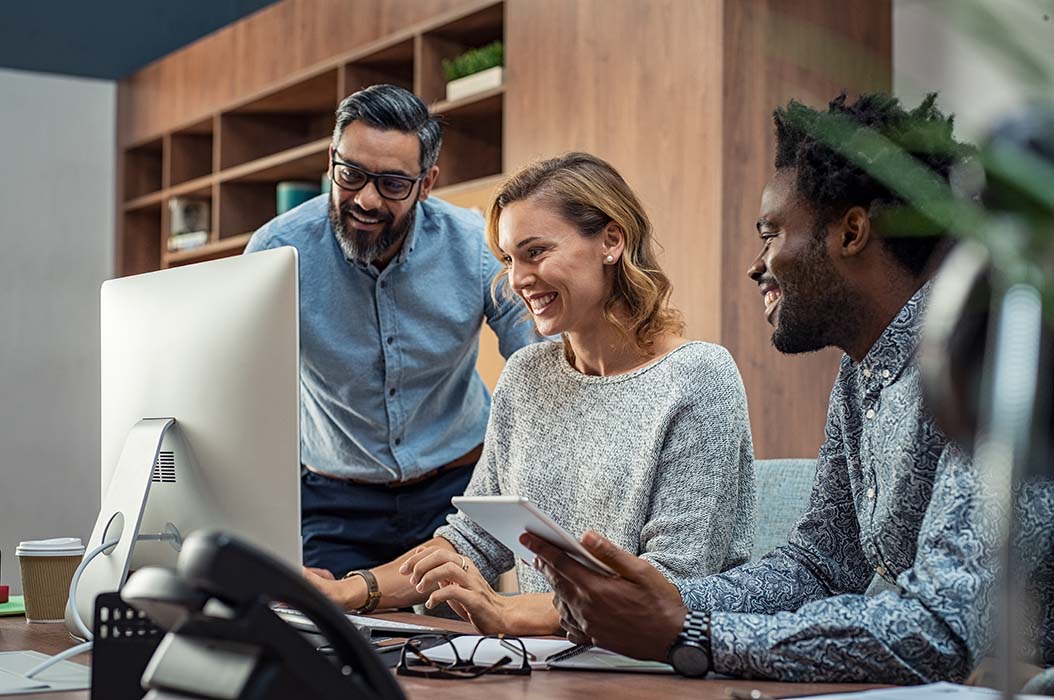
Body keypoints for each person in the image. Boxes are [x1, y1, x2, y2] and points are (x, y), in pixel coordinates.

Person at [524, 93, 1054, 683]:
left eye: (770, 233)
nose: (758, 265)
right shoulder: (862, 375)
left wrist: (690, 633)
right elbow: (820, 566)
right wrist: (654, 604)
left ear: (851, 231)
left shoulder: (993, 349)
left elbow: (939, 627)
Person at [304, 152, 756, 634]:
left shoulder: (699, 377)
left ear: (611, 240)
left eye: (536, 252)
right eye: (509, 259)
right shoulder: (525, 375)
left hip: (658, 663)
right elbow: (471, 541)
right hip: (548, 659)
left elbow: (672, 586)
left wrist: (508, 613)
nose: (517, 280)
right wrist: (351, 590)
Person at [244, 84, 539, 576]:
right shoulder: (277, 252)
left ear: (426, 184)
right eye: (351, 174)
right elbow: (242, 386)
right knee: (334, 641)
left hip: (457, 497)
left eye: (392, 184)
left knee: (454, 647)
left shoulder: (472, 247)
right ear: (330, 159)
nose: (365, 199)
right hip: (334, 504)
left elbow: (539, 362)